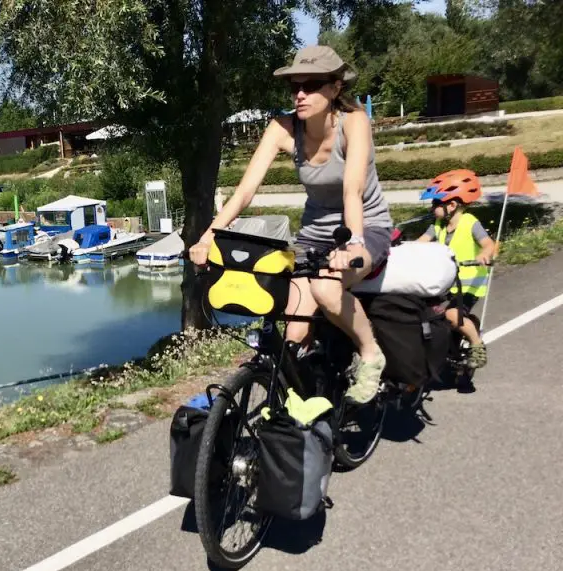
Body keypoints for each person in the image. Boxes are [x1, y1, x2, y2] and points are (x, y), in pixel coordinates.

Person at [190, 45, 394, 404]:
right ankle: (304, 406)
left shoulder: (355, 123)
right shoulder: (283, 128)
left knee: (327, 291)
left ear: (334, 88)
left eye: (312, 85)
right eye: (294, 86)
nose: (300, 94)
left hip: (366, 228)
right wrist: (207, 238)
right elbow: (244, 193)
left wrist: (355, 243)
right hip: (314, 235)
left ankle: (370, 354)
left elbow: (352, 190)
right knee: (293, 333)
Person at [416, 169, 493, 369]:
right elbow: (420, 243)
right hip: (444, 282)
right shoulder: (438, 225)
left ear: (451, 205)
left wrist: (484, 254)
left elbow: (488, 244)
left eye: (435, 204)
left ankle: (477, 346)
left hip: (468, 285)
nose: (432, 208)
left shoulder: (470, 222)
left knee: (452, 315)